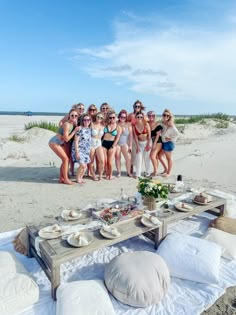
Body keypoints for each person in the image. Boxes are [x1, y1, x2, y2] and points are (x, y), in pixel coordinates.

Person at [48, 109, 79, 185]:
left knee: (64, 160)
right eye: (72, 115)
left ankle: (61, 178)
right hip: (54, 142)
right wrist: (74, 131)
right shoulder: (67, 124)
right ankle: (66, 179)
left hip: (60, 143)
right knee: (65, 160)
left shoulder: (73, 124)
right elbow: (66, 138)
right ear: (69, 116)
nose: (74, 117)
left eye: (75, 115)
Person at [71, 114, 92, 184]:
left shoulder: (89, 129)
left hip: (86, 150)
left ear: (90, 121)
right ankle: (77, 178)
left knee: (85, 166)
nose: (86, 121)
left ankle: (81, 177)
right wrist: (77, 152)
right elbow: (76, 141)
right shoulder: (79, 129)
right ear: (82, 121)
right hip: (79, 150)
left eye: (88, 120)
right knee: (82, 165)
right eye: (85, 120)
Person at [158, 109, 179, 177]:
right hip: (163, 142)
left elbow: (177, 134)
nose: (166, 116)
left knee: (168, 158)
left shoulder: (171, 124)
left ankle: (168, 173)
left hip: (168, 144)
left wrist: (171, 139)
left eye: (168, 115)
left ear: (170, 117)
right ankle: (165, 169)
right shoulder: (162, 123)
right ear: (162, 115)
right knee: (159, 156)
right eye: (164, 115)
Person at [127, 100, 145, 175]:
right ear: (133, 107)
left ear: (141, 107)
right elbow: (126, 122)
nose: (137, 107)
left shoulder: (143, 115)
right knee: (131, 153)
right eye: (136, 106)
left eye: (139, 106)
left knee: (138, 154)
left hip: (140, 137)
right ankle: (130, 167)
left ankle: (138, 169)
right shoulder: (131, 115)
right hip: (131, 136)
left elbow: (146, 124)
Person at [102, 111, 122, 180]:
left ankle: (110, 175)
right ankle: (107, 173)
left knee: (110, 162)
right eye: (110, 118)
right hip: (104, 143)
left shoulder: (118, 127)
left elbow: (117, 138)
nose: (112, 119)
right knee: (104, 161)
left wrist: (113, 146)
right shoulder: (105, 125)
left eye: (113, 117)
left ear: (116, 118)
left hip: (112, 144)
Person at [133, 111, 151, 178]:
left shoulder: (146, 124)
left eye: (141, 117)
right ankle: (138, 174)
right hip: (139, 144)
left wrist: (148, 144)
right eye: (138, 117)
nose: (140, 118)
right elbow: (135, 137)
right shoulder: (134, 126)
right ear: (136, 118)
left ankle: (148, 173)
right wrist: (137, 146)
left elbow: (149, 135)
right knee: (139, 158)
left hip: (147, 142)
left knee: (147, 158)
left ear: (143, 117)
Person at [115, 110, 132, 177]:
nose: (122, 118)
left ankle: (128, 172)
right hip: (117, 144)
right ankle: (119, 172)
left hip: (125, 143)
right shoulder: (116, 123)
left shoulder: (128, 124)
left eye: (124, 117)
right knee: (117, 158)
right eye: (121, 117)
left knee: (128, 158)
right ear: (119, 116)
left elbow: (131, 136)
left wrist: (130, 145)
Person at [88, 112, 105, 180]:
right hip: (92, 143)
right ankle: (93, 175)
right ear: (96, 116)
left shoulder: (103, 126)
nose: (99, 118)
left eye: (101, 118)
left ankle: (100, 175)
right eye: (98, 117)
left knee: (102, 160)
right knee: (91, 161)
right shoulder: (91, 124)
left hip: (99, 143)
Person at [147, 111, 163, 176]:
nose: (151, 117)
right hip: (150, 141)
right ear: (147, 116)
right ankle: (155, 170)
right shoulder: (147, 123)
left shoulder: (158, 124)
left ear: (155, 116)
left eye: (153, 115)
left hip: (158, 142)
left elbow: (158, 135)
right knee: (155, 157)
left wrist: (154, 144)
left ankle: (155, 171)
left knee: (152, 156)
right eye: (150, 115)